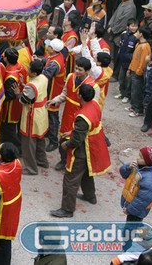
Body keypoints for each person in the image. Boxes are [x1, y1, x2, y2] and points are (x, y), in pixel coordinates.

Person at [51, 84, 111, 217]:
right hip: (92, 147)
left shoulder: (82, 116)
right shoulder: (95, 104)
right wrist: (73, 131)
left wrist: (67, 143)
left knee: (70, 179)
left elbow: (77, 139)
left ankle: (67, 209)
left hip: (82, 151)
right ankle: (90, 196)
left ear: (80, 96)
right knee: (86, 173)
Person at [0, 143, 22, 265]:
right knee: (5, 237)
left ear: (0, 156)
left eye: (0, 146)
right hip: (15, 202)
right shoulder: (17, 163)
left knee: (3, 241)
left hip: (3, 210)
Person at [17, 60, 49, 175]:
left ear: (34, 73)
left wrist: (17, 92)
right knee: (40, 139)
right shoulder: (43, 78)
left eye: (29, 69)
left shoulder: (31, 86)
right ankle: (42, 161)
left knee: (28, 143)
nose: (27, 70)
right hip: (42, 113)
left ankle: (31, 168)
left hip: (32, 115)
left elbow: (23, 100)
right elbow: (36, 91)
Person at [119, 146, 152, 222]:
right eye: (138, 155)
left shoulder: (149, 179)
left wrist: (129, 210)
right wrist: (128, 168)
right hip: (131, 204)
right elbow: (124, 174)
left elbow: (142, 200)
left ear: (147, 161)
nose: (137, 158)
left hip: (137, 211)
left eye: (141, 157)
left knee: (131, 228)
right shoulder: (136, 166)